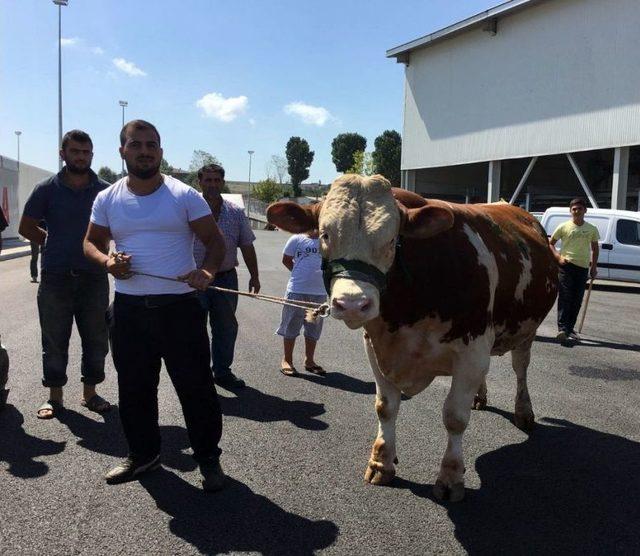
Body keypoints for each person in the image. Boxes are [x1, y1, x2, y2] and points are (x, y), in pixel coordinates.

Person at [83, 120, 227, 491]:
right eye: (136, 144)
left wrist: (206, 272)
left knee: (195, 388)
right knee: (134, 389)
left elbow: (215, 242)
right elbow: (91, 242)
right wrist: (107, 262)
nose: (145, 151)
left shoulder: (184, 196)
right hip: (129, 312)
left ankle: (208, 459)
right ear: (122, 151)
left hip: (178, 309)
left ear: (160, 152)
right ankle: (143, 455)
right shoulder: (107, 198)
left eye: (152, 145)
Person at [19, 130, 111, 419]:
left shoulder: (106, 191)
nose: (81, 157)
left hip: (94, 277)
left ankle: (90, 393)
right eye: (75, 151)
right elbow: (25, 227)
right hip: (55, 277)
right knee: (55, 341)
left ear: (92, 155)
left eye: (86, 152)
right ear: (63, 154)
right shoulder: (46, 189)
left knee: (96, 340)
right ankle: (55, 397)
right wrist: (51, 240)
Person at [193, 164, 260, 389]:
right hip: (194, 281)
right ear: (199, 182)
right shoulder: (188, 210)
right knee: (194, 328)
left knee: (226, 328)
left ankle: (222, 372)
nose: (212, 184)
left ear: (222, 182)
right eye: (208, 180)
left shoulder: (235, 212)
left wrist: (255, 276)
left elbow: (247, 246)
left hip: (225, 278)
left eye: (216, 180)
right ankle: (198, 374)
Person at [276, 230, 327, 376]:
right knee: (292, 325)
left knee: (313, 327)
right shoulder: (296, 239)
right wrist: (298, 273)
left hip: (319, 293)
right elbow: (286, 259)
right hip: (297, 290)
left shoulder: (328, 240)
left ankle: (309, 361)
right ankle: (287, 360)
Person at [550, 197, 599, 343]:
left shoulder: (591, 229)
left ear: (585, 210)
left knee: (577, 300)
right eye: (574, 209)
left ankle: (570, 328)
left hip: (583, 267)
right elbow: (550, 243)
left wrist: (594, 267)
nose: (576, 211)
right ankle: (562, 329)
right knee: (565, 297)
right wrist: (558, 258)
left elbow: (595, 249)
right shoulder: (564, 227)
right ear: (570, 211)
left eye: (579, 209)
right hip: (566, 266)